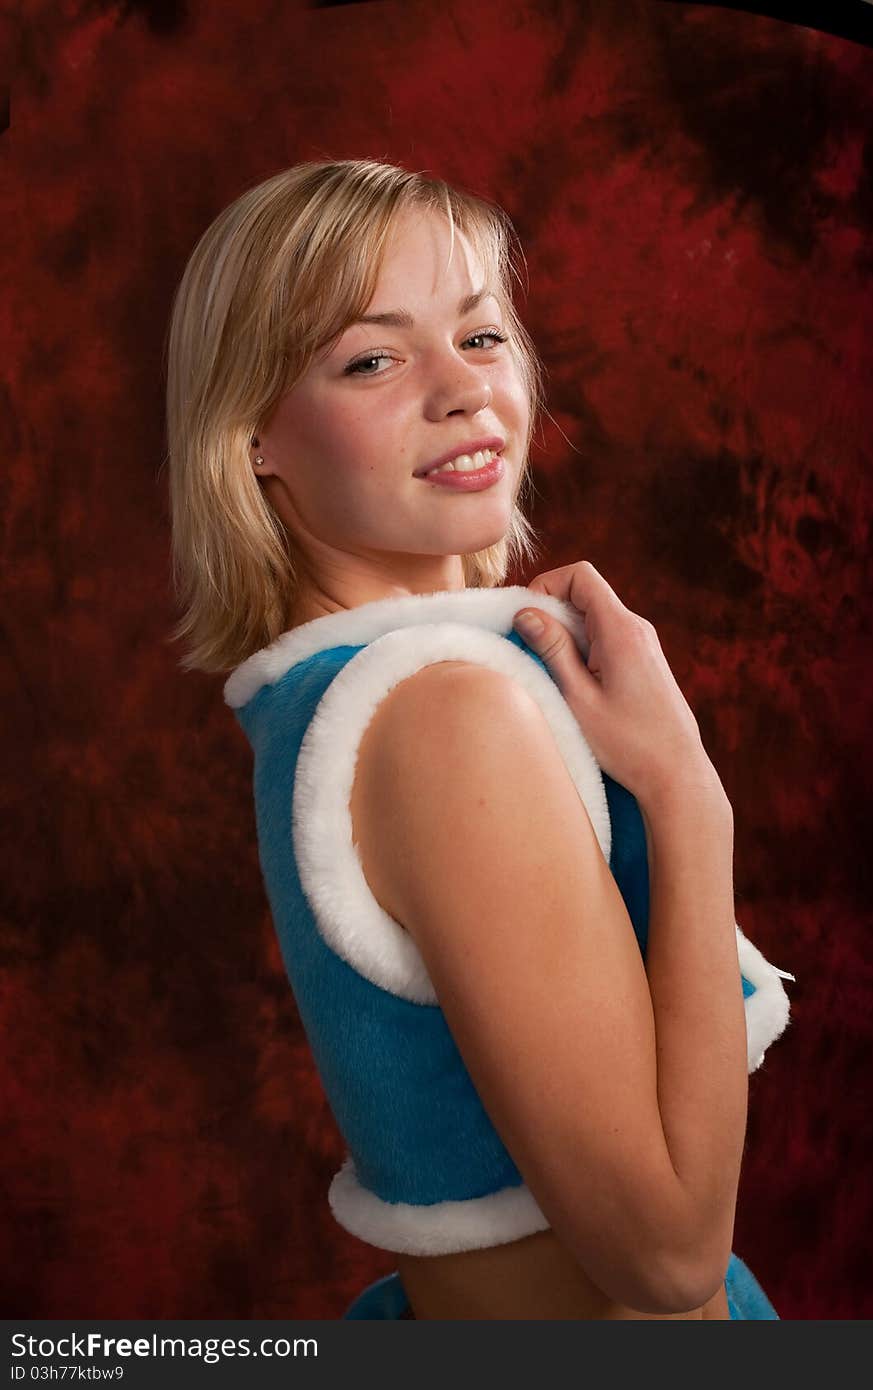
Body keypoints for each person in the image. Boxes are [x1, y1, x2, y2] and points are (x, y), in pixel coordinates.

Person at [164, 158, 794, 1320]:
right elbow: (665, 1262)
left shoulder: (339, 700)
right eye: (371, 357)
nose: (462, 392)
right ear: (254, 436)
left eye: (483, 336)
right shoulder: (446, 711)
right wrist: (686, 793)